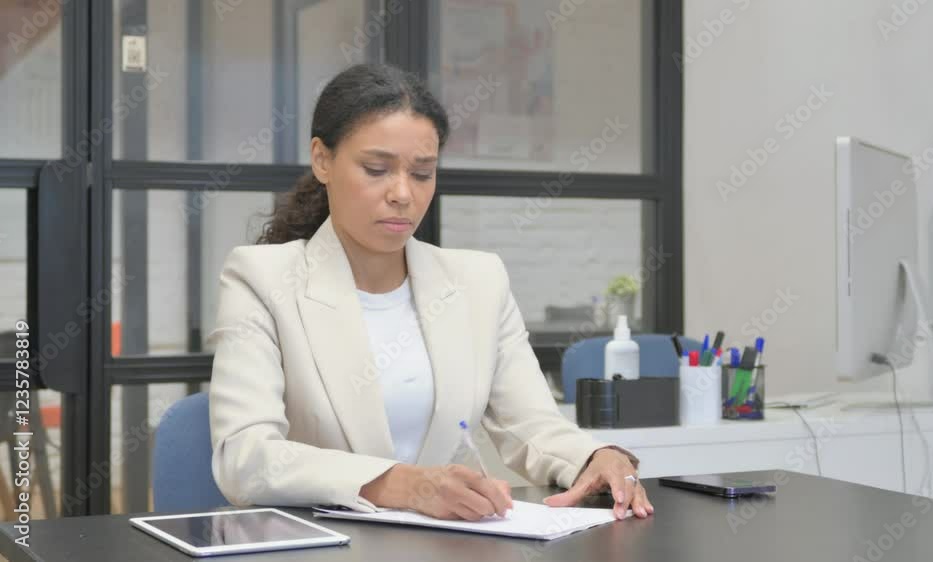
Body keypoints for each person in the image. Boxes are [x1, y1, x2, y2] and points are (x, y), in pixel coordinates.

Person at [208, 63, 652, 522]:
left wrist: (593, 458)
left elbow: (530, 425)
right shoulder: (261, 279)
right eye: (376, 169)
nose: (403, 193)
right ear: (322, 160)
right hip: (323, 544)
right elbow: (246, 457)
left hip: (451, 543)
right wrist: (404, 485)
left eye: (422, 173)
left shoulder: (479, 281)